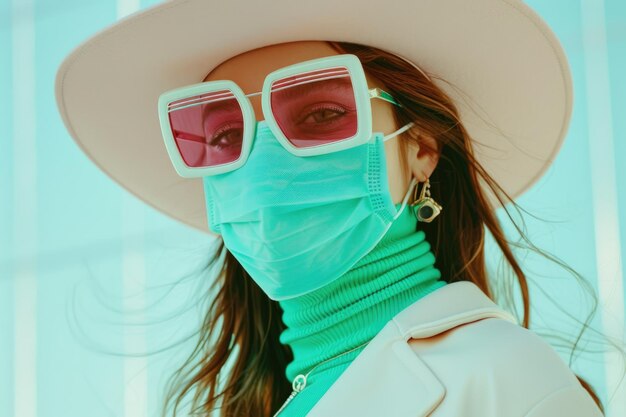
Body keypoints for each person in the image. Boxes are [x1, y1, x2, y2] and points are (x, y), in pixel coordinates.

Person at [54, 0, 617, 416]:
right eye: (224, 134)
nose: (262, 164)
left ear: (419, 147)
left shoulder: (510, 384)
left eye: (321, 113)